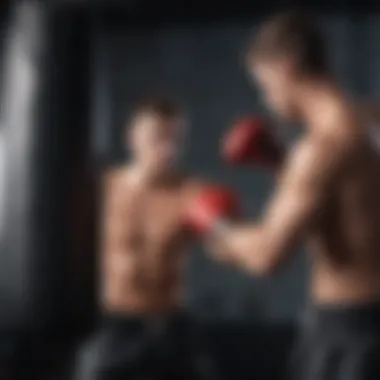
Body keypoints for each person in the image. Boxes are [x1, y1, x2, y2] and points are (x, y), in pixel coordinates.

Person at [186, 11, 380, 380]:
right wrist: (281, 163)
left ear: (284, 68)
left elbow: (266, 256)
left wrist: (216, 225)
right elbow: (355, 205)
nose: (266, 99)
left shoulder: (321, 148)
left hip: (347, 335)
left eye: (264, 85)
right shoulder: (370, 121)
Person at [72, 96, 243, 380]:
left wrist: (226, 225)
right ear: (131, 138)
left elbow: (224, 253)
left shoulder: (192, 193)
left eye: (174, 138)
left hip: (169, 327)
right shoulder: (103, 190)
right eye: (156, 138)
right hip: (113, 325)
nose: (166, 149)